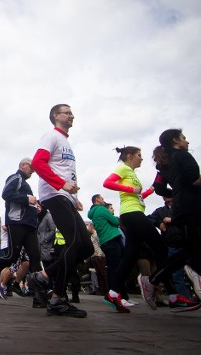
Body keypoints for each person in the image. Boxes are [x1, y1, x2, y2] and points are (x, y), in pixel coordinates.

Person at [102, 145, 199, 313]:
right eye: (139, 155)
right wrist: (131, 189)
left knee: (130, 257)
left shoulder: (131, 173)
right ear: (130, 156)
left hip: (134, 212)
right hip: (132, 214)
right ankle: (172, 295)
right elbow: (107, 183)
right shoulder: (123, 168)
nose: (141, 158)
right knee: (161, 249)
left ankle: (112, 293)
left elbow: (137, 196)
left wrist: (149, 191)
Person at [30, 104, 93, 318]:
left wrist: (74, 197)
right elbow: (38, 163)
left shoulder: (66, 142)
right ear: (56, 116)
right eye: (67, 112)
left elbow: (67, 173)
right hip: (54, 194)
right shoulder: (51, 136)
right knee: (75, 243)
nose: (72, 115)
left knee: (86, 248)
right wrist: (61, 185)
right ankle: (57, 298)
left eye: (72, 112)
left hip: (65, 196)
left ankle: (43, 276)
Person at [151, 129, 201, 308]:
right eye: (184, 138)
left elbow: (158, 187)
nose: (187, 141)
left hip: (181, 208)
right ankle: (156, 278)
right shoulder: (183, 156)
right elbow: (195, 179)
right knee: (192, 249)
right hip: (194, 206)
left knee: (190, 248)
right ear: (175, 140)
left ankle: (156, 277)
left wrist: (176, 194)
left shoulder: (163, 164)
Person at [0, 158, 42, 307]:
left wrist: (35, 207)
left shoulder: (24, 182)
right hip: (17, 223)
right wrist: (27, 199)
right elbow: (6, 194)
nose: (33, 170)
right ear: (22, 165)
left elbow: (24, 202)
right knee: (11, 256)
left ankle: (39, 296)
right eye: (31, 167)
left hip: (29, 225)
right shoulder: (15, 177)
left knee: (35, 257)